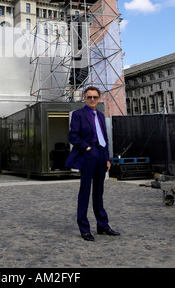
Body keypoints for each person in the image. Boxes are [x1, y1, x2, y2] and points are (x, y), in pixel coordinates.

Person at [65, 86, 120, 241]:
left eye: (95, 97)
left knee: (99, 193)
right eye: (89, 97)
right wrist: (87, 147)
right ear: (84, 98)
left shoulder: (101, 116)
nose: (92, 100)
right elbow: (73, 136)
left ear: (99, 98)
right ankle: (84, 228)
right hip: (88, 154)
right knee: (85, 192)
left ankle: (102, 225)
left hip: (101, 155)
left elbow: (105, 137)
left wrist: (107, 158)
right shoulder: (78, 114)